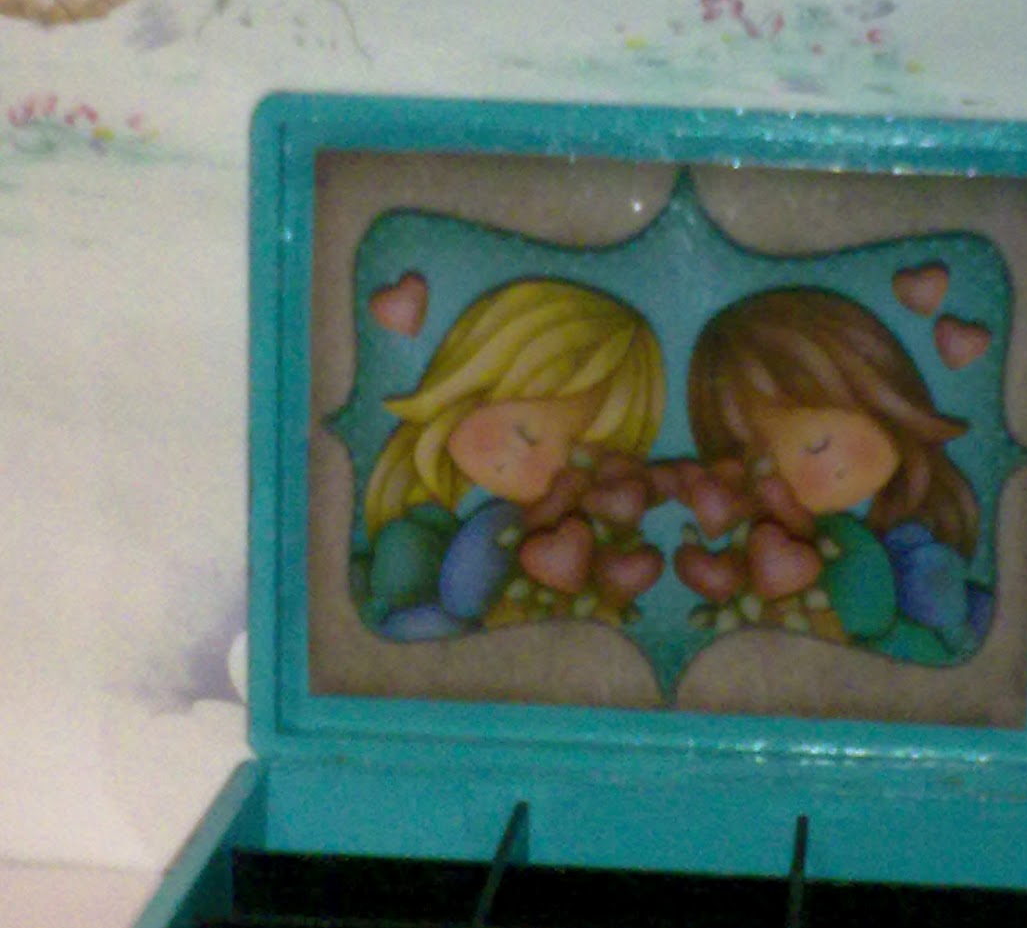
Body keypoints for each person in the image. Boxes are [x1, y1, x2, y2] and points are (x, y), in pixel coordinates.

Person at [685, 286, 990, 662]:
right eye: (761, 462)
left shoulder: (915, 538)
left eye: (817, 445)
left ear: (885, 398)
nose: (778, 479)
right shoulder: (810, 549)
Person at [361, 277, 665, 640]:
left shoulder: (523, 536)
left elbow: (469, 595)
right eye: (525, 429)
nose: (519, 452)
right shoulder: (413, 495)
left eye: (573, 454)